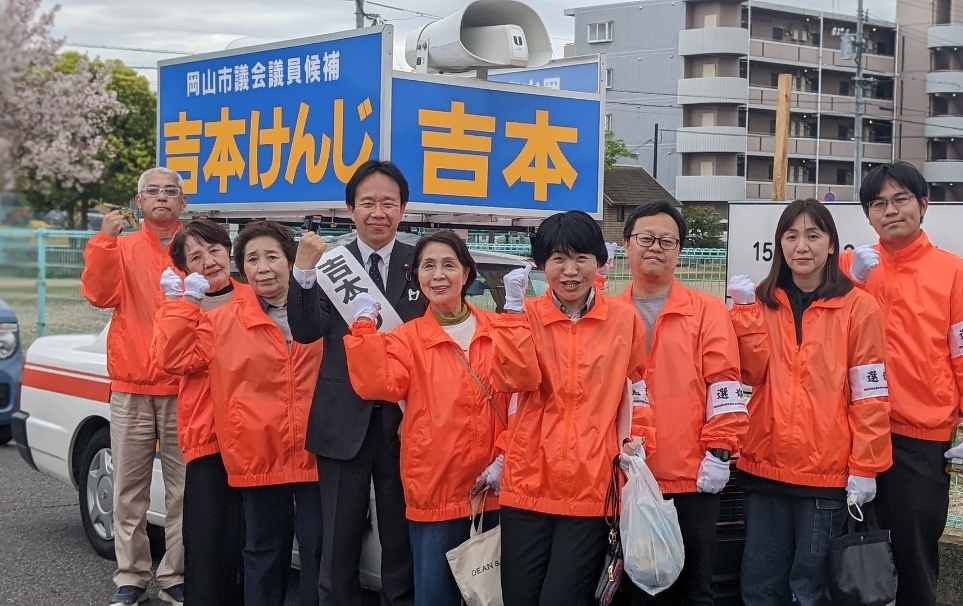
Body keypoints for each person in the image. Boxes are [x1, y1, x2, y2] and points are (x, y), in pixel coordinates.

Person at [727, 199, 892, 606]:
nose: (802, 246)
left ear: (832, 244)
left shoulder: (859, 308)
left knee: (811, 591)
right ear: (779, 244)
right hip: (763, 467)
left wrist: (865, 467)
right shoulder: (760, 301)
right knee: (759, 587)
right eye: (791, 236)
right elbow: (749, 374)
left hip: (827, 475)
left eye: (813, 236)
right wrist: (743, 314)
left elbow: (870, 395)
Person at [150, 221, 324, 606]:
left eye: (272, 257)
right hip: (258, 455)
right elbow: (173, 359)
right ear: (242, 268)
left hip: (316, 456)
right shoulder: (223, 319)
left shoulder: (324, 311)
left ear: (291, 261)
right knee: (262, 553)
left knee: (318, 553)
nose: (263, 268)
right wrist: (182, 305)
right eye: (252, 259)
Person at [489, 210, 656, 606]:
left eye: (581, 258)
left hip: (592, 483)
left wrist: (638, 441)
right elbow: (513, 380)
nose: (570, 271)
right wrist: (512, 316)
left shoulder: (624, 319)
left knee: (563, 598)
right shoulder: (525, 315)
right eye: (558, 259)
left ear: (599, 261)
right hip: (528, 479)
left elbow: (636, 388)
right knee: (519, 598)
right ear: (540, 264)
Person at [342, 231, 510, 606]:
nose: (438, 275)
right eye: (428, 266)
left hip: (495, 489)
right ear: (416, 277)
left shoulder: (499, 331)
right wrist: (365, 329)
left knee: (495, 597)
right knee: (436, 596)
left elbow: (522, 404)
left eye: (449, 264)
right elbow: (378, 384)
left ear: (466, 273)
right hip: (436, 492)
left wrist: (505, 455)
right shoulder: (406, 338)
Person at [287, 160, 426, 606]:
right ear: (351, 209)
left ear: (403, 209)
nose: (378, 212)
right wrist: (302, 273)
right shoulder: (330, 265)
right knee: (338, 540)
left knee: (400, 538)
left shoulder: (422, 263)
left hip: (405, 423)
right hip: (342, 420)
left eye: (388, 203)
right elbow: (306, 331)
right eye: (368, 202)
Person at [841, 161, 963, 605]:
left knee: (916, 560)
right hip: (849, 433)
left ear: (923, 204)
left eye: (901, 199)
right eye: (879, 204)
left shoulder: (953, 272)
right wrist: (848, 281)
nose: (890, 210)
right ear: (867, 215)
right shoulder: (849, 265)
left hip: (920, 437)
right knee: (850, 560)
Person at [616, 201, 748, 606]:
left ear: (679, 251)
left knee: (694, 590)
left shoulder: (707, 311)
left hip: (693, 477)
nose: (655, 247)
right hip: (625, 478)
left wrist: (720, 453)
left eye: (667, 241)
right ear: (626, 245)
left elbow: (725, 385)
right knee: (631, 591)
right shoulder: (609, 314)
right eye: (646, 238)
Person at [81, 167, 188, 606]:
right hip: (132, 385)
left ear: (183, 202)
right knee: (129, 488)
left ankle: (176, 576)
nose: (162, 197)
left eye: (171, 191)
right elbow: (99, 295)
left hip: (186, 386)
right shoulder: (121, 246)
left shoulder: (195, 246)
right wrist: (104, 242)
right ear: (138, 201)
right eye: (153, 191)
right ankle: (131, 576)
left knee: (186, 490)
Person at [150, 218, 245, 605]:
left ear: (229, 252)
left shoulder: (255, 296)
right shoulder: (178, 308)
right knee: (206, 539)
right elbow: (171, 360)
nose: (209, 261)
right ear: (183, 268)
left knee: (248, 537)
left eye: (215, 250)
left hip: (256, 435)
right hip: (208, 434)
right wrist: (187, 306)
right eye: (195, 257)